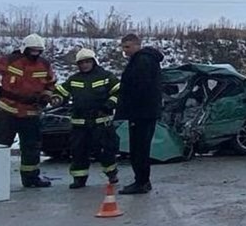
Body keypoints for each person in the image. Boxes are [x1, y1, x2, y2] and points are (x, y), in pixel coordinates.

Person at [0, 34, 56, 187]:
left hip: (31, 113)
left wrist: (46, 97)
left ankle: (31, 179)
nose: (35, 54)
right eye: (32, 51)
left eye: (38, 51)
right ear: (24, 49)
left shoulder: (44, 65)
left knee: (32, 148)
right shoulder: (9, 60)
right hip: (7, 111)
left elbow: (51, 83)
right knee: (0, 147)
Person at [52, 49, 120, 189]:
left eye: (87, 61)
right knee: (78, 151)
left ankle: (111, 173)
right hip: (80, 123)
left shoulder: (107, 77)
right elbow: (61, 91)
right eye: (81, 63)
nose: (85, 65)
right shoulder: (74, 79)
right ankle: (79, 178)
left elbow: (120, 92)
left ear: (94, 61)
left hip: (101, 122)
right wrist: (57, 98)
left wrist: (110, 104)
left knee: (106, 150)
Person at [115, 34, 163, 195]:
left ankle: (141, 182)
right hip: (144, 112)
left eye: (127, 47)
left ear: (137, 45)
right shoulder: (144, 60)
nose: (124, 50)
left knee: (139, 148)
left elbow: (139, 88)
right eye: (123, 47)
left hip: (141, 112)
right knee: (139, 148)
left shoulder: (142, 61)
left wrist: (129, 106)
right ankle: (142, 181)